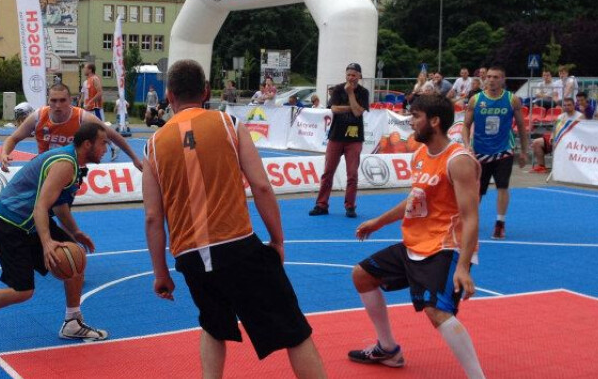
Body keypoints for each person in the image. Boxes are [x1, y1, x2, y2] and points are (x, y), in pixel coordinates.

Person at [142, 59, 326, 378]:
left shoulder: (153, 146)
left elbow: (153, 218)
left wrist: (160, 272)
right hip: (237, 247)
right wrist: (277, 239)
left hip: (190, 255)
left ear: (169, 95)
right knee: (294, 330)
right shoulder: (228, 124)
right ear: (206, 91)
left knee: (213, 326)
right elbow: (261, 187)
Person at [0, 122, 113, 356]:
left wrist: (75, 232)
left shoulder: (73, 162)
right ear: (87, 144)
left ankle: (72, 321)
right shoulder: (65, 164)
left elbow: (58, 205)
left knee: (75, 257)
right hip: (10, 222)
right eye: (103, 144)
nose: (105, 149)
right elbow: (41, 206)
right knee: (22, 290)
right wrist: (47, 242)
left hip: (29, 222)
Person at [349, 93, 484, 378]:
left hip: (446, 247)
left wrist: (463, 266)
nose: (411, 122)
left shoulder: (458, 161)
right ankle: (388, 349)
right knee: (362, 275)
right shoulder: (421, 154)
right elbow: (416, 197)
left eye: (416, 116)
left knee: (437, 312)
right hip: (416, 243)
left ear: (434, 121)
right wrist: (379, 222)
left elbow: (471, 217)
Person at [0, 83, 143, 172]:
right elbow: (13, 138)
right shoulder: (38, 117)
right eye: (54, 100)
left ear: (70, 101)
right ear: (48, 101)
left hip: (70, 171)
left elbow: (113, 136)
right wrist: (4, 154)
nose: (58, 105)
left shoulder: (83, 117)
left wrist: (135, 158)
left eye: (62, 100)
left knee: (50, 207)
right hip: (44, 168)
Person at [462, 66, 529, 240]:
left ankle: (500, 223)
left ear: (503, 80)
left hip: (503, 150)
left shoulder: (512, 99)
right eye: (489, 77)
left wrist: (524, 151)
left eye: (496, 77)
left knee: (502, 186)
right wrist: (467, 144)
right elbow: (465, 126)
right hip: (480, 151)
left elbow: (521, 126)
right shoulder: (475, 100)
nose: (491, 80)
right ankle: (471, 221)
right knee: (478, 190)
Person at [310, 63, 369, 218]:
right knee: (328, 172)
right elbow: (334, 109)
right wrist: (352, 107)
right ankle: (321, 204)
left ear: (359, 76)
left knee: (352, 174)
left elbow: (357, 114)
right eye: (348, 74)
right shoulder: (337, 89)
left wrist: (350, 95)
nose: (351, 77)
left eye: (354, 75)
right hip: (336, 136)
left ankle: (350, 206)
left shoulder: (363, 92)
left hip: (354, 138)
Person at [530, 97, 584, 173]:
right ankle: (541, 167)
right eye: (565, 105)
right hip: (558, 138)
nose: (567, 107)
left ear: (574, 105)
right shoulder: (561, 116)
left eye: (569, 105)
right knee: (536, 142)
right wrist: (552, 137)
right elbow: (555, 129)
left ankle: (563, 168)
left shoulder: (580, 116)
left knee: (560, 144)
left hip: (571, 141)